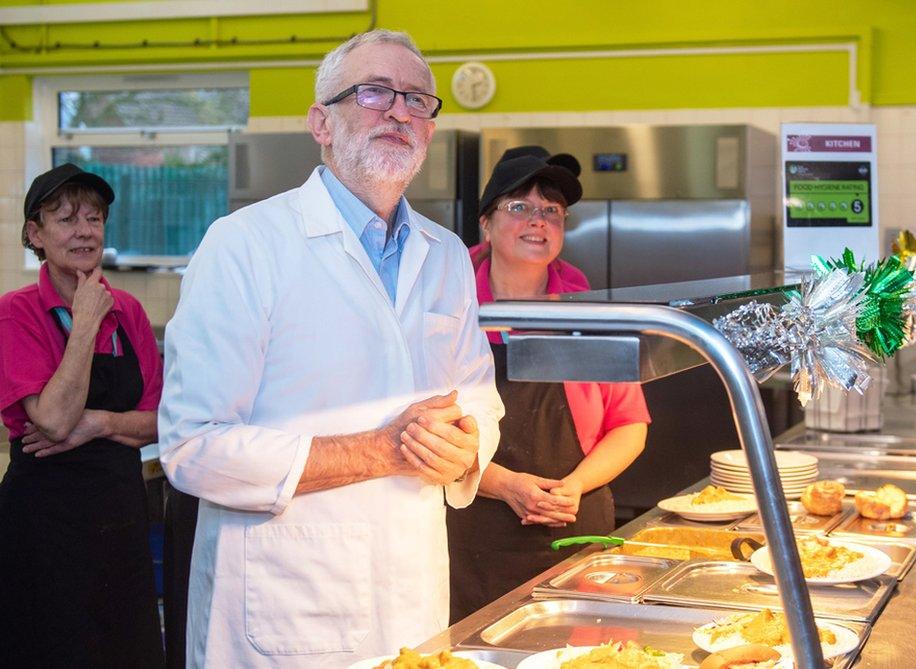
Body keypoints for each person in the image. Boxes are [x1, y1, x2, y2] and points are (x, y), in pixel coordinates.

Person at [157, 29, 503, 668]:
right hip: (284, 616)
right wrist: (381, 449)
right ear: (321, 122)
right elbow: (193, 447)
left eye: (418, 100)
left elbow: (479, 394)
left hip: (414, 599)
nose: (399, 111)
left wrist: (468, 445)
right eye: (374, 92)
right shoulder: (245, 245)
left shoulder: (447, 254)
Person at [447, 147, 651, 622]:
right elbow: (426, 430)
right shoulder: (452, 312)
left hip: (575, 524)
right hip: (473, 534)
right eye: (519, 206)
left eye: (551, 211)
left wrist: (574, 486)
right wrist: (504, 483)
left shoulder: (587, 313)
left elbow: (630, 424)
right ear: (486, 223)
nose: (537, 220)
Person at [0, 163, 165, 668]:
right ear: (35, 234)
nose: (85, 231)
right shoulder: (16, 313)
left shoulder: (131, 311)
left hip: (119, 518)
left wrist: (101, 423)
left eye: (94, 219)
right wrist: (86, 322)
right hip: (42, 527)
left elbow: (161, 419)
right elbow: (51, 419)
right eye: (67, 219)